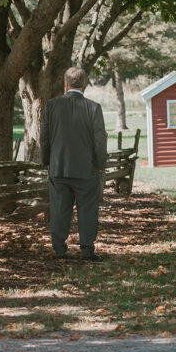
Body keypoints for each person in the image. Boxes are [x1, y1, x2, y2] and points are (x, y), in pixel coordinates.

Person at [40, 66, 107, 262]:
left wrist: (47, 161)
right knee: (87, 209)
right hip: (87, 169)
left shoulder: (51, 105)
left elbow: (44, 138)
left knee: (59, 209)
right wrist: (100, 164)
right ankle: (87, 250)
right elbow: (100, 140)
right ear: (84, 84)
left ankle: (60, 250)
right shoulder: (93, 108)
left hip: (59, 168)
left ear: (66, 83)